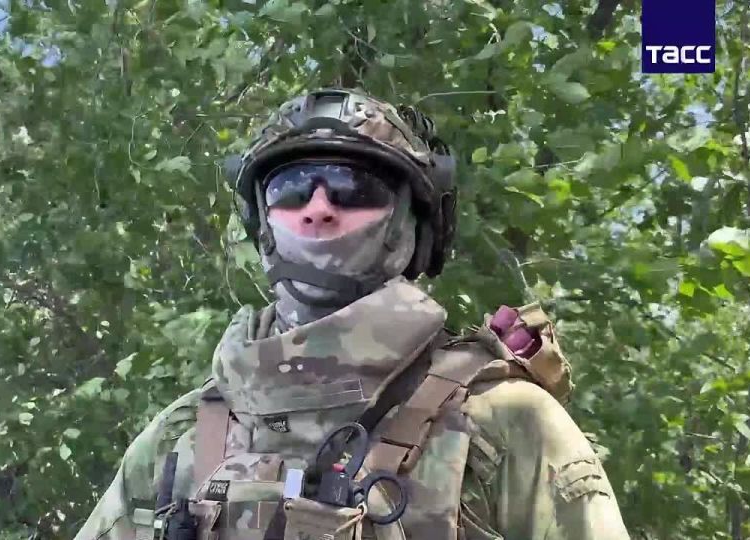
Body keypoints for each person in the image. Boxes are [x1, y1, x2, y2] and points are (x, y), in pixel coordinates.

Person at [74, 89, 630, 540]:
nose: (318, 208)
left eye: (353, 187)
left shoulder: (501, 419)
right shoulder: (184, 434)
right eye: (291, 189)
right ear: (262, 224)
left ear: (413, 225)